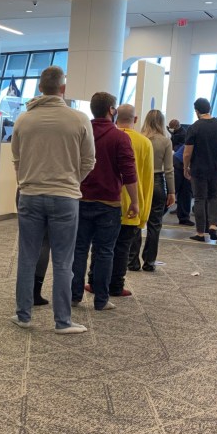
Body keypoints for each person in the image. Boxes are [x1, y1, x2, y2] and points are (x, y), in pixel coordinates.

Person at [11, 66, 95, 333]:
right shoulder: (79, 119)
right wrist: (72, 180)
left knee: (27, 257)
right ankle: (62, 322)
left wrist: (28, 180)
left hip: (30, 194)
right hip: (65, 197)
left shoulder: (23, 120)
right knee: (63, 260)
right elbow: (89, 161)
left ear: (39, 88)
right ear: (63, 89)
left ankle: (23, 315)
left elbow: (17, 159)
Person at [71, 92, 138, 312]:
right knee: (105, 251)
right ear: (111, 110)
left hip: (80, 200)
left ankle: (74, 295)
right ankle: (101, 300)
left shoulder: (82, 132)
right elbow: (129, 174)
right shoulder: (120, 137)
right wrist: (134, 202)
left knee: (79, 249)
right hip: (108, 203)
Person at [108, 105, 153, 295]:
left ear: (115, 117)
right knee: (122, 248)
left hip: (108, 201)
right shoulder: (144, 143)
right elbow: (147, 179)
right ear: (135, 120)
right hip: (131, 205)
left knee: (103, 246)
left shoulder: (108, 138)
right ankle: (116, 285)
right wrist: (144, 213)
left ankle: (94, 281)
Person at [183, 98, 217, 242]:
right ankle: (213, 225)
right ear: (210, 109)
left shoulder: (194, 127)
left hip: (198, 169)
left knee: (200, 199)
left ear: (197, 111)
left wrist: (185, 167)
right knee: (214, 197)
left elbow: (187, 153)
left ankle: (200, 233)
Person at [137, 110, 176, 271]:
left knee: (136, 222)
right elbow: (169, 169)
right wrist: (172, 191)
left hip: (140, 182)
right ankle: (149, 261)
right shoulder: (166, 141)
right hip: (158, 182)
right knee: (155, 224)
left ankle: (132, 261)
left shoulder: (139, 138)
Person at [169, 120, 193, 225]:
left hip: (182, 163)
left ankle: (184, 217)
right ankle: (157, 215)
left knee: (186, 192)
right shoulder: (196, 137)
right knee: (173, 190)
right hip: (179, 163)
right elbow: (187, 155)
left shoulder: (188, 134)